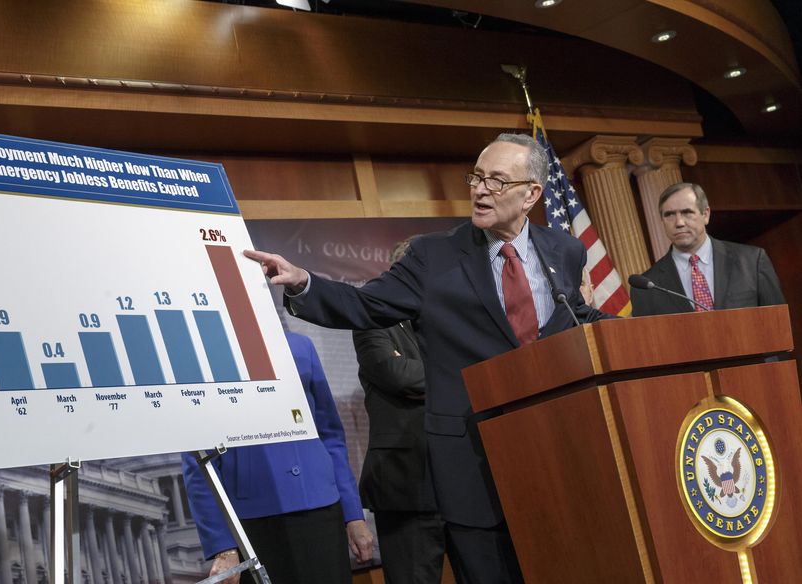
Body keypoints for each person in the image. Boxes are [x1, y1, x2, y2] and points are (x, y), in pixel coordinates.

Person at [244, 133, 606, 583]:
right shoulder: (434, 256)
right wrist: (303, 283)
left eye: (496, 181)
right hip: (473, 463)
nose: (480, 190)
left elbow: (574, 314)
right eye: (476, 177)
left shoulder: (564, 251)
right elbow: (366, 305)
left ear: (532, 194)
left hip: (553, 451)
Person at [182, 331, 373, 584]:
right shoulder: (200, 354)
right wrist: (223, 546)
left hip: (321, 511)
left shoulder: (301, 345)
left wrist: (353, 515)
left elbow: (330, 435)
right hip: (253, 522)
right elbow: (198, 462)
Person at [353, 238, 445, 584]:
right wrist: (456, 374)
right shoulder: (373, 318)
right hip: (407, 485)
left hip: (464, 481)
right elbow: (397, 375)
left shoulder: (454, 319)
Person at [631, 182, 785, 316]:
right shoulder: (648, 286)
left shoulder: (752, 261)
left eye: (687, 212)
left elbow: (778, 327)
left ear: (706, 215)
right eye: (669, 215)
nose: (679, 222)